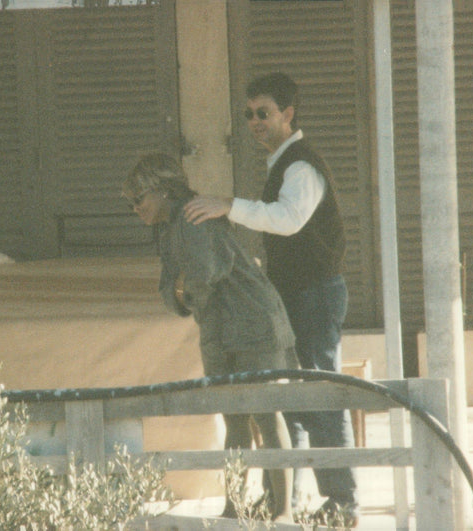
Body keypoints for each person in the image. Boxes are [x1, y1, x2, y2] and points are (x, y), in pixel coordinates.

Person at [183, 72, 359, 527]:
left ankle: (342, 502)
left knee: (320, 395)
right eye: (249, 114)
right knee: (290, 401)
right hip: (293, 294)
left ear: (288, 114)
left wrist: (229, 205)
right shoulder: (283, 162)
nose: (254, 122)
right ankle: (286, 497)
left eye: (263, 112)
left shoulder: (301, 165)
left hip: (314, 294)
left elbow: (288, 219)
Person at [123, 152, 299, 523]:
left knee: (266, 415)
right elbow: (173, 291)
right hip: (219, 330)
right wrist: (181, 288)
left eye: (138, 199)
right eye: (131, 203)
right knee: (235, 419)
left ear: (162, 190)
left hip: (252, 323)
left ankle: (283, 512)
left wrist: (182, 287)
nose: (135, 208)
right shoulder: (170, 227)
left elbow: (202, 275)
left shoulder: (192, 216)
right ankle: (235, 508)